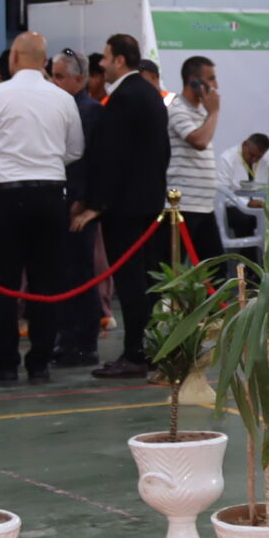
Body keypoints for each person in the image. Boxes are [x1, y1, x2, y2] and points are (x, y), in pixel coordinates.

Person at [0, 33, 84, 385]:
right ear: (45, 61)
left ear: (15, 57)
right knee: (45, 283)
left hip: (6, 195)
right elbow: (75, 149)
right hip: (50, 196)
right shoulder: (63, 99)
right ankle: (40, 363)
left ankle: (5, 363)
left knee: (3, 284)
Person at [75, 31, 170, 380]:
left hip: (125, 209)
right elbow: (161, 153)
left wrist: (96, 204)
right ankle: (151, 348)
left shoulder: (124, 98)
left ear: (119, 59)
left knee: (131, 284)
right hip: (148, 204)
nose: (101, 64)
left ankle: (135, 353)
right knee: (146, 281)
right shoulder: (150, 94)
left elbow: (111, 158)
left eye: (105, 57)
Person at [45, 50, 103, 367]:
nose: (54, 82)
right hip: (63, 199)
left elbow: (91, 160)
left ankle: (83, 342)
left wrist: (84, 202)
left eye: (59, 77)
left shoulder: (89, 111)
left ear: (79, 79)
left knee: (79, 273)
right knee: (63, 273)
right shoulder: (63, 107)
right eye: (52, 76)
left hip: (78, 204)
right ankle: (66, 337)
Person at [167, 55, 225, 262]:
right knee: (175, 265)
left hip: (203, 205)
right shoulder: (176, 108)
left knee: (214, 267)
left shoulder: (199, 114)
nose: (216, 86)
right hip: (184, 204)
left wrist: (209, 114)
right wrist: (214, 112)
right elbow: (199, 141)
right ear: (193, 81)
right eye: (211, 79)